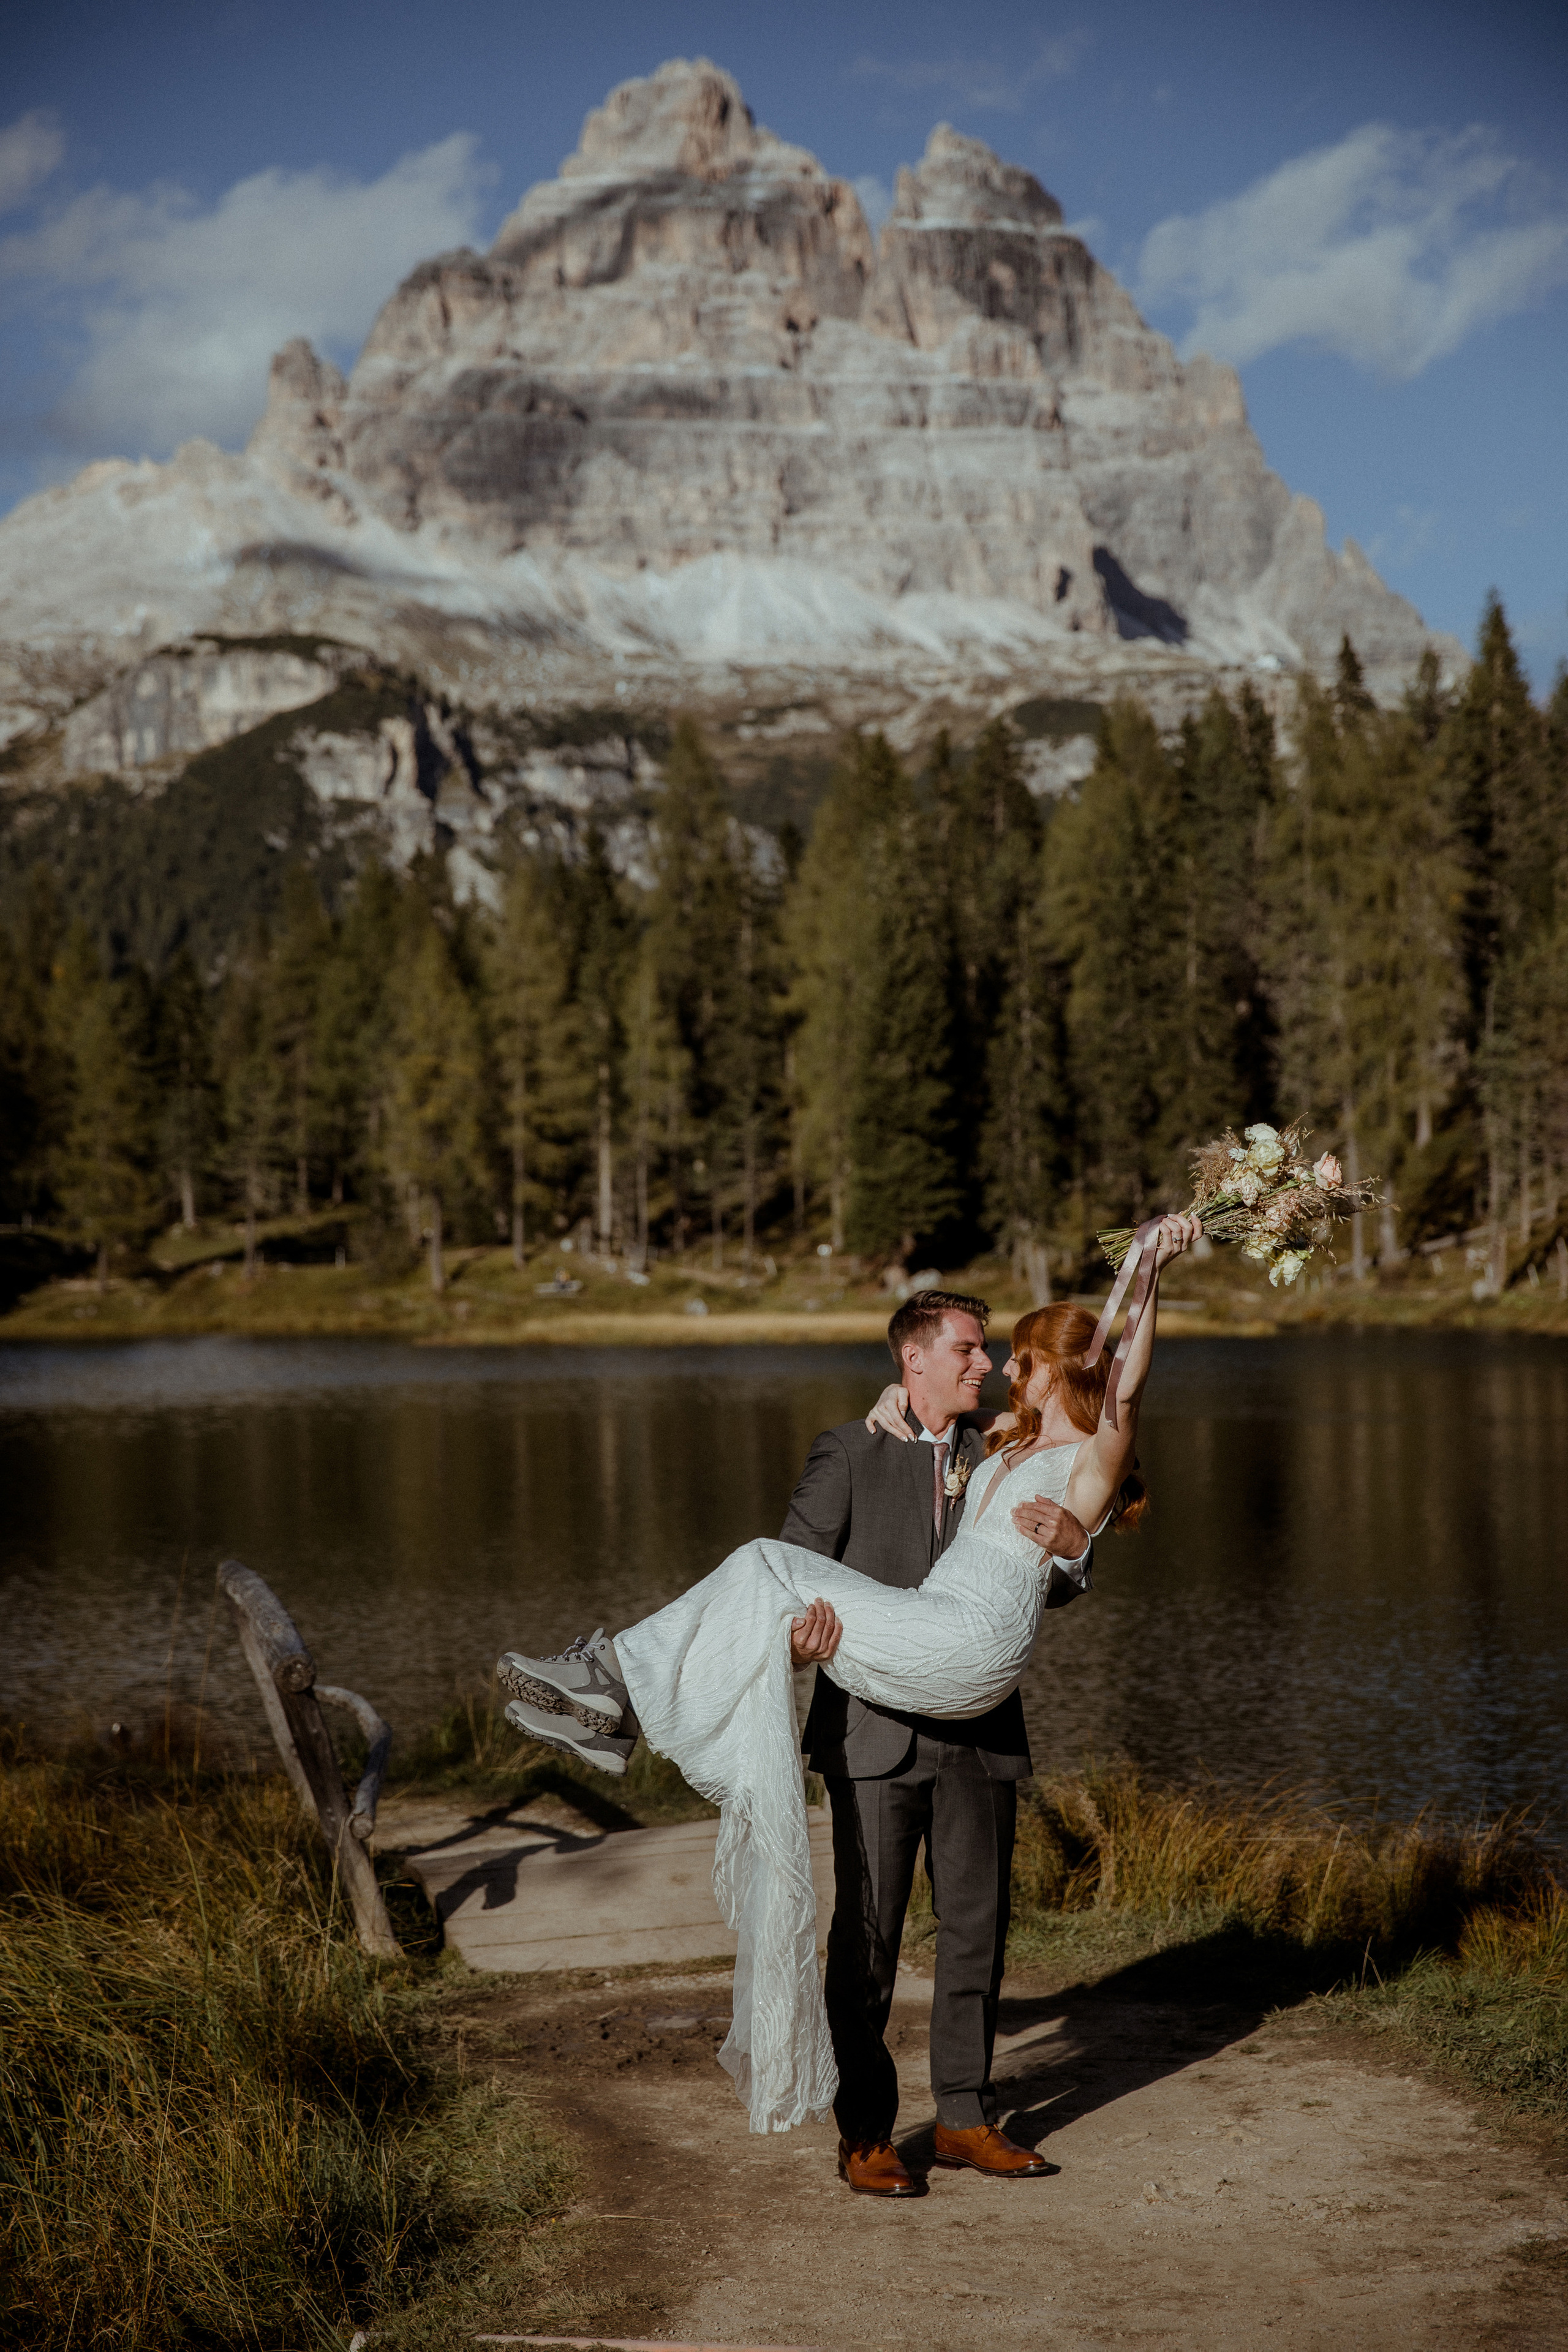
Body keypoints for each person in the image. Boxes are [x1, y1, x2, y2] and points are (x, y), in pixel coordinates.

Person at [497, 1216, 1198, 2145]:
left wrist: (1154, 1269)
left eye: (1007, 1356)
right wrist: (795, 1643)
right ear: (915, 1361)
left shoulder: (1038, 1461)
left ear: (1056, 1373)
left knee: (975, 1935)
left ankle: (611, 1690)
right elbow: (803, 1571)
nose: (992, 1368)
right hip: (883, 1707)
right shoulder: (919, 1451)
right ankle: (867, 2137)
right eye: (974, 1351)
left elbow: (1122, 1389)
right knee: (863, 1937)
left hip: (966, 1677)